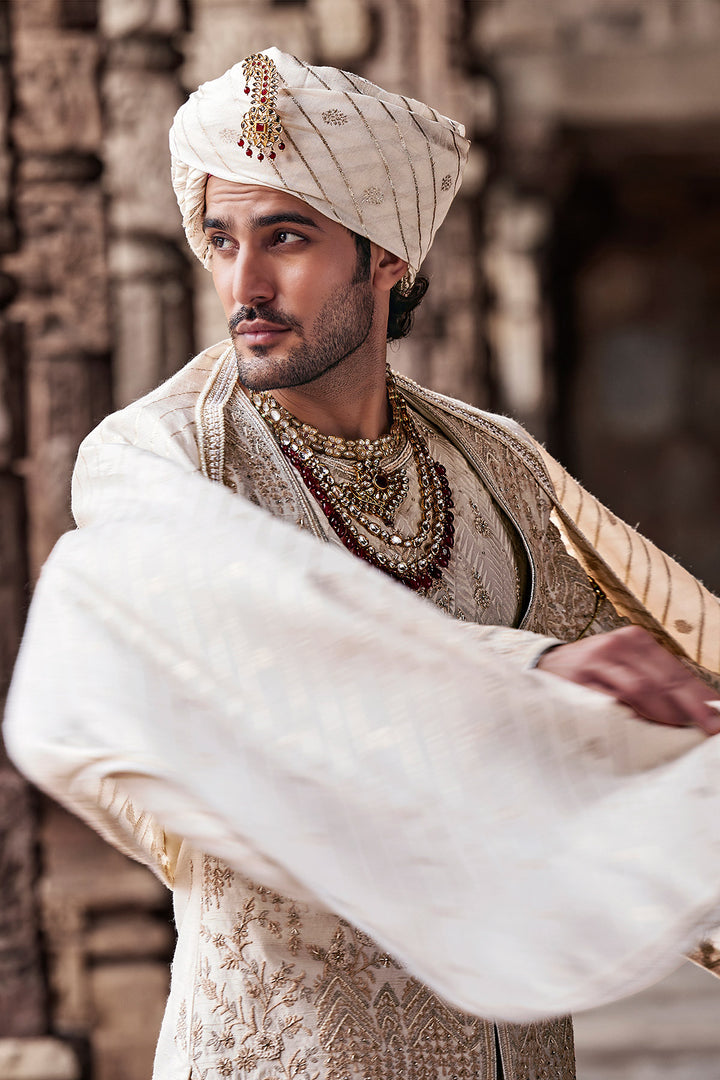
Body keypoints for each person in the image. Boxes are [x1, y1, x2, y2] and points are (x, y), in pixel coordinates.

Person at [5, 47, 720, 1080]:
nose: (243, 284)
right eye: (219, 239)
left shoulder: (500, 469)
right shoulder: (159, 460)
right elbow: (246, 652)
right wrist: (519, 675)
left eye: (286, 239)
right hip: (285, 1048)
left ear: (387, 256)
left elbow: (584, 739)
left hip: (506, 1049)